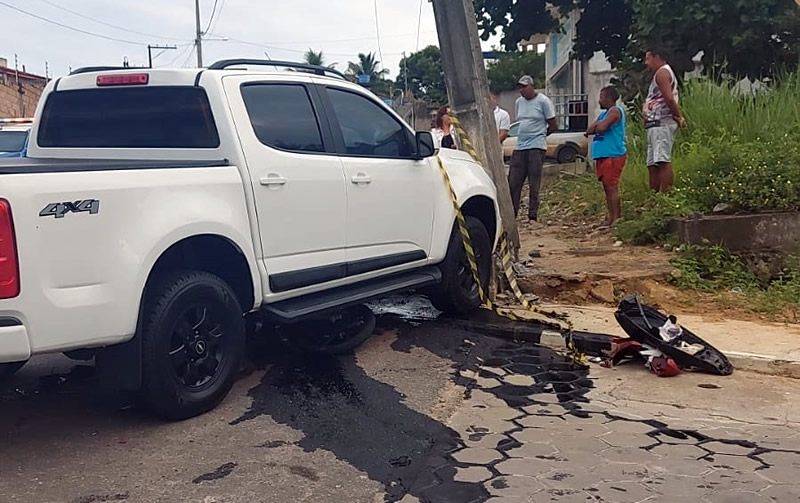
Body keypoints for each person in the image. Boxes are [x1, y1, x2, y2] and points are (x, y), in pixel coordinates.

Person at [509, 75, 557, 223]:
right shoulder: (519, 102)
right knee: (513, 181)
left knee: (534, 182)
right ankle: (512, 214)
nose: (522, 90)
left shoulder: (543, 101)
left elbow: (553, 124)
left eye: (524, 87)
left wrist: (541, 135)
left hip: (536, 146)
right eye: (520, 87)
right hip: (521, 145)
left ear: (532, 86)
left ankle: (532, 215)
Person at [643, 48, 686, 193]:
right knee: (652, 164)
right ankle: (654, 198)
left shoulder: (662, 72)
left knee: (662, 161)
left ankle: (665, 198)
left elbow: (669, 98)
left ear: (657, 56)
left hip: (662, 124)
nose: (646, 63)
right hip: (654, 125)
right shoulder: (660, 73)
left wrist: (678, 116)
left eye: (648, 58)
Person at [586, 86, 627, 226]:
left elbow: (602, 128)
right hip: (603, 156)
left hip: (613, 154)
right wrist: (598, 124)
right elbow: (589, 131)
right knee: (606, 187)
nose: (600, 100)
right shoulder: (603, 115)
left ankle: (616, 218)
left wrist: (598, 125)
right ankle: (610, 217)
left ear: (610, 98)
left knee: (612, 186)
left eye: (602, 97)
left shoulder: (615, 111)